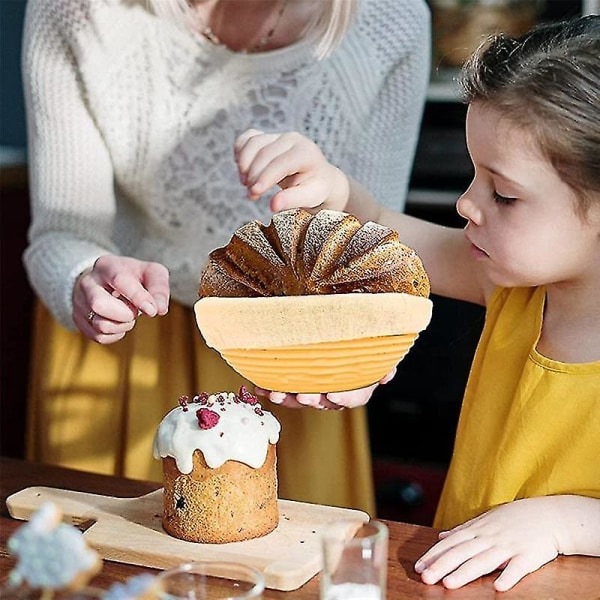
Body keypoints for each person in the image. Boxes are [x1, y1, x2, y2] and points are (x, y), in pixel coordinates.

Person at [233, 15, 600, 591]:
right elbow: (380, 230)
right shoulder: (510, 287)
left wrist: (565, 523)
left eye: (504, 194)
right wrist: (334, 190)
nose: (466, 203)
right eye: (476, 176)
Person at [21, 0, 431, 515]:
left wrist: (364, 350)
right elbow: (61, 232)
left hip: (293, 361)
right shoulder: (78, 10)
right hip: (124, 341)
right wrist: (84, 279)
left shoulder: (389, 19)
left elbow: (373, 246)